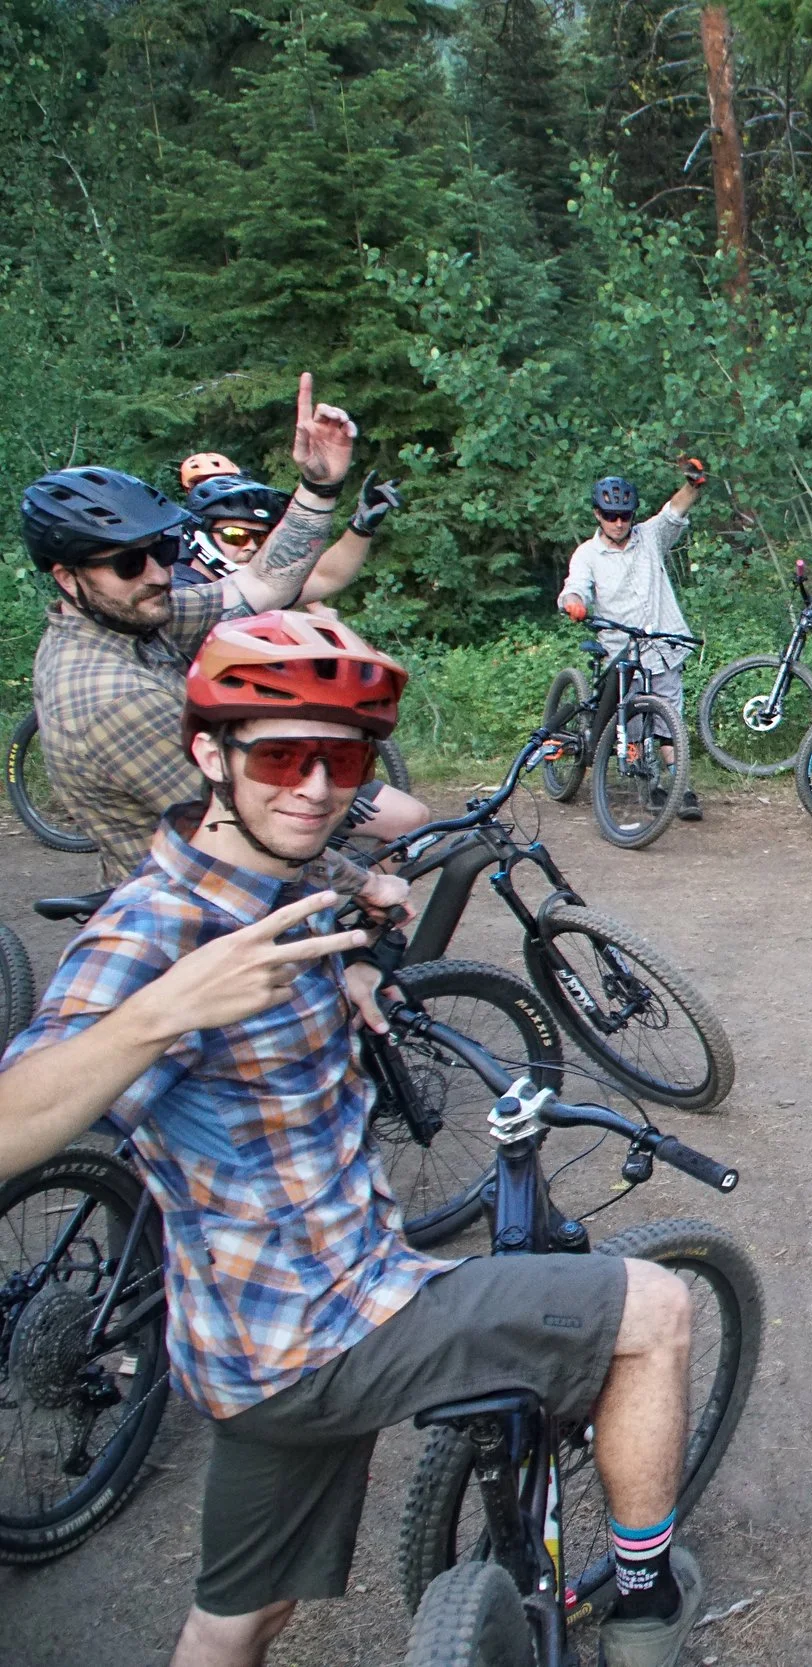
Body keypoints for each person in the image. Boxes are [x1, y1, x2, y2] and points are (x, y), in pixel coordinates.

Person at [0, 611, 704, 1667]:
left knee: (240, 1617)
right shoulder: (156, 933)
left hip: (247, 1346)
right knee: (655, 1307)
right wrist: (162, 1011)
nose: (318, 786)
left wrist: (361, 944)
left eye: (346, 757)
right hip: (330, 1322)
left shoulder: (268, 882)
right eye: (282, 754)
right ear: (208, 755)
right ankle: (646, 1613)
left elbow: (326, 877)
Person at [25, 375, 428, 884]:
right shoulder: (114, 697)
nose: (157, 574)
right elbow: (238, 829)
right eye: (129, 563)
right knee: (364, 956)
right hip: (200, 915)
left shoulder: (132, 620)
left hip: (220, 875)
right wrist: (363, 884)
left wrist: (319, 488)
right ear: (67, 578)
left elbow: (262, 583)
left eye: (164, 551)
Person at [558, 461, 709, 821]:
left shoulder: (650, 537)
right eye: (611, 515)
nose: (619, 522)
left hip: (662, 645)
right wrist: (573, 603)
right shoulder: (588, 554)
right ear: (598, 514)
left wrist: (694, 484)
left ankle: (681, 787)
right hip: (621, 650)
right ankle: (648, 785)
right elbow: (574, 587)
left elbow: (675, 511)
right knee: (635, 725)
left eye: (625, 515)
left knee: (669, 719)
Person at [181, 472, 401, 598]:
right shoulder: (176, 594)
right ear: (201, 534)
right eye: (235, 535)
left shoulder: (248, 591)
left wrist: (360, 527)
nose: (252, 546)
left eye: (262, 538)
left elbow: (326, 577)